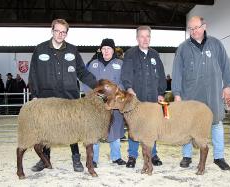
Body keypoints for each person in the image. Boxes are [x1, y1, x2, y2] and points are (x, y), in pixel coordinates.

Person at [28, 18, 97, 173]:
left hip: (69, 98)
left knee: (72, 128)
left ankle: (76, 159)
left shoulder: (72, 50)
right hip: (47, 98)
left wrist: (97, 85)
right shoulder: (40, 50)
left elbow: (82, 72)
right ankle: (45, 160)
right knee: (46, 129)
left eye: (63, 32)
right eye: (57, 31)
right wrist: (35, 95)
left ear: (66, 33)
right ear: (52, 30)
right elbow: (34, 74)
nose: (60, 34)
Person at [172, 16, 230, 170]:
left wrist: (227, 86)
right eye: (191, 29)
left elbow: (226, 65)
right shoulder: (183, 48)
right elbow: (177, 72)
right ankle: (187, 156)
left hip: (213, 93)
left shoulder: (216, 44)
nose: (194, 31)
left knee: (216, 123)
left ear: (204, 26)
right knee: (188, 125)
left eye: (197, 27)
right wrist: (177, 93)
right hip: (191, 96)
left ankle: (219, 157)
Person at [121, 25, 167, 168]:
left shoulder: (155, 54)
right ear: (137, 38)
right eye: (142, 36)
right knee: (135, 127)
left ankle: (153, 154)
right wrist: (129, 88)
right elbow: (126, 74)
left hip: (153, 99)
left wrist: (161, 93)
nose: (145, 39)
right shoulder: (130, 54)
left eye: (147, 36)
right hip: (137, 100)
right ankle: (132, 156)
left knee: (152, 127)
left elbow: (161, 75)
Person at [82, 38, 126, 168]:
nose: (106, 51)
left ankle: (116, 157)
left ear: (114, 50)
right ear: (100, 50)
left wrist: (116, 95)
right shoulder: (93, 63)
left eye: (109, 49)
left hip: (114, 103)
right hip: (96, 104)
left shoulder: (120, 63)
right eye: (104, 49)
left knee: (115, 128)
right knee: (95, 130)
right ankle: (93, 159)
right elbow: (85, 81)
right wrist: (91, 96)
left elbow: (124, 81)